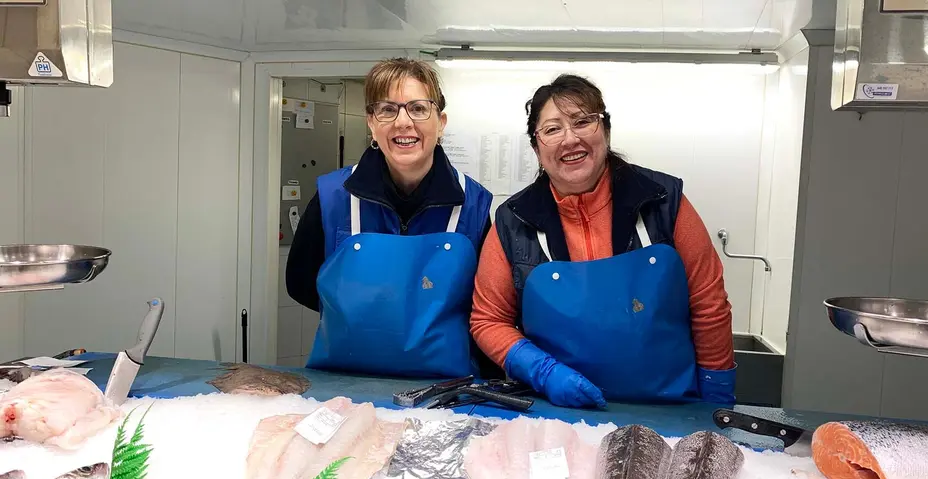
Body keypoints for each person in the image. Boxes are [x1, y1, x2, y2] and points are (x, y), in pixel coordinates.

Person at [470, 74, 736, 408]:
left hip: (667, 410)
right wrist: (543, 372)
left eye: (583, 122)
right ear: (537, 148)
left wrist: (717, 392)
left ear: (605, 131)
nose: (570, 139)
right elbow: (488, 320)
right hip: (557, 411)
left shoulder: (664, 202)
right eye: (552, 129)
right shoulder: (513, 221)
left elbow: (708, 305)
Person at [287, 58, 495, 378]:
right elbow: (300, 282)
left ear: (440, 122)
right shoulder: (333, 197)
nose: (403, 122)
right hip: (349, 382)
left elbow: (490, 307)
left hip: (447, 388)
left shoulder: (474, 206)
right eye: (387, 109)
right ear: (371, 122)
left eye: (418, 108)